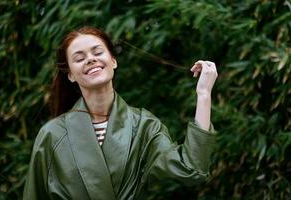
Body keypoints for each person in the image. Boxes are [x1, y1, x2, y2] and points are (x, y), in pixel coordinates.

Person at [23, 26, 218, 200]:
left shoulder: (143, 125)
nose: (91, 59)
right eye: (79, 58)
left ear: (113, 61)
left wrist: (203, 94)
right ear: (71, 75)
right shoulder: (52, 134)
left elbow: (192, 169)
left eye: (98, 52)